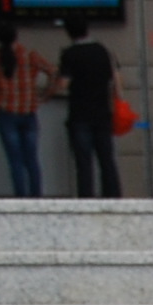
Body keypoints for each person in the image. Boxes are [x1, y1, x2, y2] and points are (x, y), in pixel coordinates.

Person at [0, 22, 57, 199]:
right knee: (32, 160)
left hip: (7, 113)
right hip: (29, 113)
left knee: (15, 161)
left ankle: (20, 199)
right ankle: (36, 198)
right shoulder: (30, 55)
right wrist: (45, 95)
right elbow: (52, 72)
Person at [55, 18, 122, 199]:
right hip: (102, 113)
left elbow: (63, 84)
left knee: (84, 163)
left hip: (80, 114)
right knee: (107, 160)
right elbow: (116, 81)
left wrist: (53, 85)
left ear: (69, 33)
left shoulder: (70, 54)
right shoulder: (103, 51)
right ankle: (113, 197)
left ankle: (87, 199)